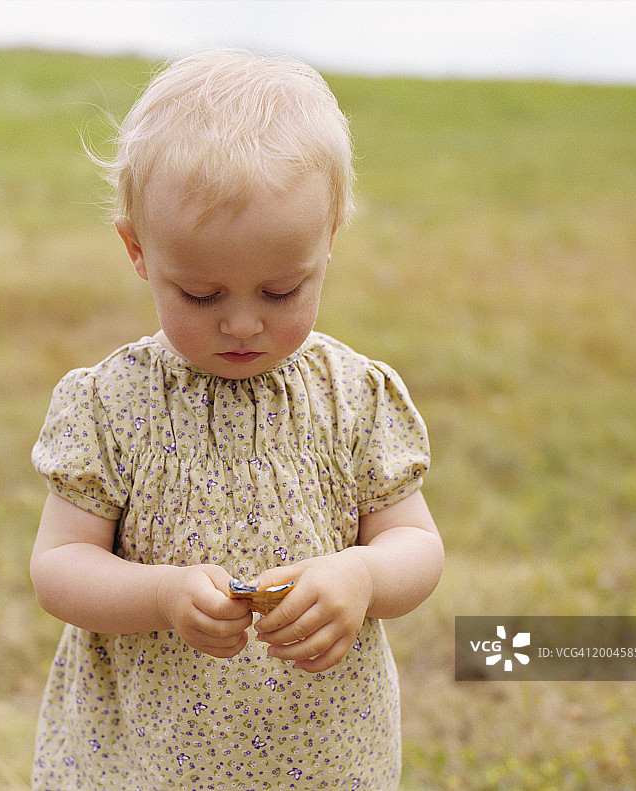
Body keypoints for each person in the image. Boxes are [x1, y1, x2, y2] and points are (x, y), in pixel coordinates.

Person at [29, 48, 444, 790]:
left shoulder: (354, 394)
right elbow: (59, 569)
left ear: (329, 240)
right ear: (138, 251)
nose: (243, 323)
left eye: (283, 290)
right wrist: (160, 593)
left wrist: (360, 575)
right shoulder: (110, 403)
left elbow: (415, 545)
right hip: (145, 758)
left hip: (321, 752)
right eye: (200, 294)